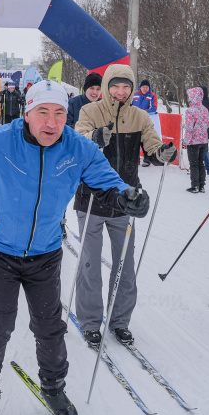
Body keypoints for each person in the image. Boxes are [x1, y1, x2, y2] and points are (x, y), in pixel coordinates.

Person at [0, 79, 151, 415]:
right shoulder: (0, 138)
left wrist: (127, 197)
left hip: (45, 251)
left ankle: (54, 387)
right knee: (0, 320)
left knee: (50, 325)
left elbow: (108, 182)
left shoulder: (77, 147)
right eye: (43, 113)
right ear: (27, 113)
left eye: (58, 114)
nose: (51, 123)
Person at [73, 65, 177, 346]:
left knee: (124, 266)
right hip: (92, 199)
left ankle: (119, 321)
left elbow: (153, 147)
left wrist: (162, 152)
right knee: (91, 265)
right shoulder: (90, 112)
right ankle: (91, 322)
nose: (121, 92)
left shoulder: (140, 116)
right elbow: (76, 139)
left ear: (132, 89)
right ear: (106, 86)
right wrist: (93, 138)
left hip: (125, 200)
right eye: (115, 86)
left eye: (126, 87)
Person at [182, 87, 209, 193]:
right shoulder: (205, 109)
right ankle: (202, 185)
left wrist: (185, 141)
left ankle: (195, 186)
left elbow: (189, 128)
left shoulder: (190, 111)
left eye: (190, 96)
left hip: (193, 142)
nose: (189, 98)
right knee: (201, 163)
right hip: (203, 141)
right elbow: (207, 124)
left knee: (193, 164)